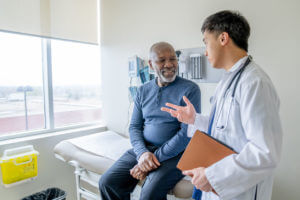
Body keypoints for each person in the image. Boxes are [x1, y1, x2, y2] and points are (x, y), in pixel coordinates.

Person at [161, 10, 282, 200]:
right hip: (220, 184)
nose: (205, 51)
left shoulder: (254, 83)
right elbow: (225, 127)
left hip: (241, 190)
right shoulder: (228, 80)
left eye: (206, 42)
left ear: (223, 38)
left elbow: (264, 152)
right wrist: (195, 119)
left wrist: (212, 175)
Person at [98, 41, 201, 200]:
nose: (169, 64)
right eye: (162, 60)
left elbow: (187, 134)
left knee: (149, 194)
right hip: (146, 149)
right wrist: (143, 154)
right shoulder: (143, 90)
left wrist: (154, 159)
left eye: (173, 59)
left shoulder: (190, 89)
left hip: (177, 154)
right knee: (108, 182)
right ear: (151, 65)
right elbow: (134, 127)